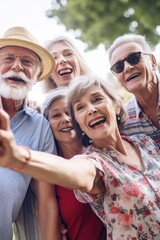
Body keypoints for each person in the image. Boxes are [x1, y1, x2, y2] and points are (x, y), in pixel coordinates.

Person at [0, 75, 160, 239]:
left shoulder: (145, 143)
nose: (91, 109)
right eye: (80, 107)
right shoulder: (94, 163)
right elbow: (74, 171)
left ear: (116, 106)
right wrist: (18, 157)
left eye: (97, 99)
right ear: (80, 123)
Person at [0, 26, 61, 240]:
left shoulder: (41, 127)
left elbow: (47, 203)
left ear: (35, 76)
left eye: (27, 62)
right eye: (8, 59)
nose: (17, 66)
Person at [41, 87, 106, 240]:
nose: (65, 119)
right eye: (56, 115)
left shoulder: (101, 152)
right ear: (47, 125)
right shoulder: (50, 172)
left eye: (69, 112)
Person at [107, 34, 160, 147]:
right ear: (118, 79)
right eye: (118, 67)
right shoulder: (124, 122)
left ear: (153, 61)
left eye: (134, 58)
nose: (127, 67)